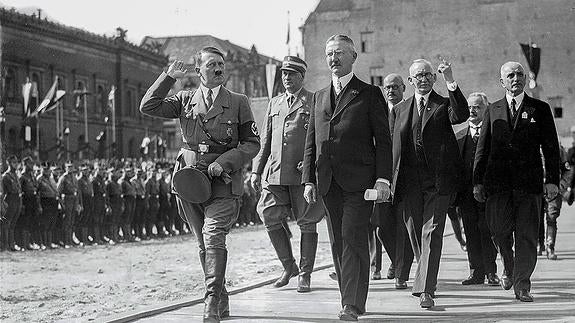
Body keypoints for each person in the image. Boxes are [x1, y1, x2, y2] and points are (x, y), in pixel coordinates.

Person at [140, 46, 260, 322]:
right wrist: (168, 77)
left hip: (222, 181)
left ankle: (210, 302)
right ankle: (221, 297)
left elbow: (252, 143)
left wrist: (227, 161)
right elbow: (147, 106)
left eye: (221, 64)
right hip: (190, 181)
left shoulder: (238, 101)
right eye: (212, 65)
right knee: (203, 244)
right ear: (199, 70)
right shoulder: (184, 99)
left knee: (214, 233)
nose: (218, 69)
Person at [302, 34, 392, 321]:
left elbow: (384, 141)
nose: (333, 59)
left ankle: (350, 305)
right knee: (338, 242)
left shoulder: (369, 93)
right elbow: (311, 142)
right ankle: (350, 300)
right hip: (328, 182)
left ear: (353, 57)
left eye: (339, 53)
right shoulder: (318, 96)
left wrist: (383, 179)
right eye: (329, 54)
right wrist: (308, 180)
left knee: (352, 238)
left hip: (359, 182)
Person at [473, 61, 560, 302]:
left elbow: (551, 147)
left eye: (520, 74)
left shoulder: (539, 109)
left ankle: (522, 284)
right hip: (497, 184)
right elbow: (483, 148)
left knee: (527, 235)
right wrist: (477, 182)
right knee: (499, 230)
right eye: (510, 75)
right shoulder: (493, 109)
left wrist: (552, 180)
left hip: (528, 183)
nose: (516, 78)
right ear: (502, 82)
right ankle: (509, 266)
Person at [390, 58, 469, 308]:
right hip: (408, 181)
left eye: (427, 75)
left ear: (433, 78)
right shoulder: (400, 110)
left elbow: (461, 115)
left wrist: (450, 80)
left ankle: (425, 289)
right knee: (416, 234)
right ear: (410, 81)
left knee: (432, 232)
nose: (423, 79)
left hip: (438, 180)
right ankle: (425, 275)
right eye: (418, 76)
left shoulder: (443, 104)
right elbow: (391, 148)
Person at [251, 56, 325, 293]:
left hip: (302, 174)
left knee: (307, 223)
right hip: (275, 173)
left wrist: (312, 166)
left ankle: (305, 274)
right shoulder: (275, 103)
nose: (287, 78)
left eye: (292, 74)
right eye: (284, 74)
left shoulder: (314, 101)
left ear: (302, 76)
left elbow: (322, 138)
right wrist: (256, 170)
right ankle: (288, 266)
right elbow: (265, 139)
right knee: (268, 214)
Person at [374, 73, 414, 289]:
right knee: (381, 227)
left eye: (395, 87)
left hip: (405, 180)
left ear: (403, 88)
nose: (391, 91)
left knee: (401, 228)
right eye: (387, 87)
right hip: (383, 179)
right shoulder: (380, 112)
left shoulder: (410, 109)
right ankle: (396, 261)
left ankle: (401, 273)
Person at [454, 92, 499, 286]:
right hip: (465, 195)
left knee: (487, 230)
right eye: (470, 107)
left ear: (486, 109)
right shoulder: (459, 136)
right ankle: (476, 272)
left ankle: (491, 272)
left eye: (477, 107)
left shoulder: (493, 135)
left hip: (488, 194)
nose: (472, 110)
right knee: (470, 231)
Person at [57, 161, 82, 248]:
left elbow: (77, 191)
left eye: (71, 167)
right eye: (68, 167)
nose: (70, 168)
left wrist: (78, 203)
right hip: (67, 200)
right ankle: (66, 241)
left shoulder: (74, 178)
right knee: (67, 222)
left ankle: (70, 240)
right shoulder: (63, 178)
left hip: (73, 200)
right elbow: (58, 191)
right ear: (65, 168)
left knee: (72, 221)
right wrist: (61, 203)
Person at [19, 156, 42, 250]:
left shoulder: (32, 176)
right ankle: (25, 244)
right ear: (24, 165)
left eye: (32, 164)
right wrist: (22, 204)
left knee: (32, 222)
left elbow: (36, 188)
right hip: (26, 200)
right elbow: (20, 191)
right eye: (30, 164)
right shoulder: (22, 176)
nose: (32, 166)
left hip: (33, 200)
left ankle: (31, 242)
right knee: (26, 222)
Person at [1, 156, 23, 251]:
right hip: (9, 200)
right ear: (9, 163)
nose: (16, 164)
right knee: (7, 223)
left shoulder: (16, 175)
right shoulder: (6, 176)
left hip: (17, 199)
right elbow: (6, 191)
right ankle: (6, 245)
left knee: (13, 224)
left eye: (17, 162)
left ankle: (11, 244)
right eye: (14, 162)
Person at [37, 162, 60, 249]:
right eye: (45, 169)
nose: (47, 171)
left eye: (48, 169)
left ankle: (49, 243)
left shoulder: (51, 179)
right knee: (45, 223)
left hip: (52, 201)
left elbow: (55, 191)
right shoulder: (39, 179)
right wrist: (39, 205)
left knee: (51, 223)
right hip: (45, 201)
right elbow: (37, 193)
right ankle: (44, 243)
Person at [77, 165, 94, 245]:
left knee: (88, 219)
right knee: (83, 220)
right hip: (84, 199)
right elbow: (79, 193)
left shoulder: (88, 180)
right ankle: (82, 238)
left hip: (89, 199)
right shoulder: (80, 180)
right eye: (84, 170)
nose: (86, 172)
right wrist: (80, 203)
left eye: (87, 170)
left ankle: (86, 237)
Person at [131, 168, 147, 240]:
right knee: (136, 217)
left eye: (140, 173)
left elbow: (144, 190)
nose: (139, 174)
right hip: (137, 199)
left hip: (143, 199)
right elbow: (134, 191)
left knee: (142, 217)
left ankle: (141, 233)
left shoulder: (142, 180)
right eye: (138, 173)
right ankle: (136, 234)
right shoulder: (133, 181)